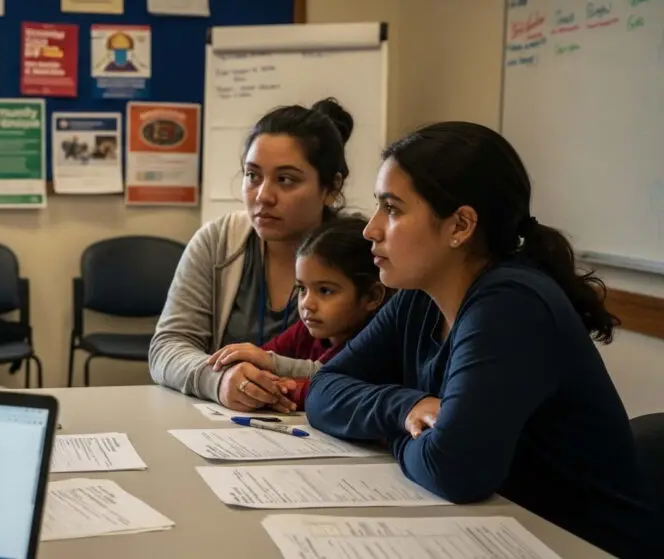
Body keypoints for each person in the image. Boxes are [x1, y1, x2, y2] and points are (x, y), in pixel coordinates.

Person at [303, 121, 660, 557]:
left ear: (460, 225)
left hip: (581, 545)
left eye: (392, 209)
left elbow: (454, 470)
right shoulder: (421, 296)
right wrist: (404, 409)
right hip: (497, 532)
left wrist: (385, 435)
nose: (370, 229)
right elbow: (323, 390)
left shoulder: (511, 305)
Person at [149, 97, 353, 413]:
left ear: (331, 188)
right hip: (227, 430)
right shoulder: (218, 241)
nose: (263, 196)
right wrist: (219, 381)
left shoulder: (361, 256)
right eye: (252, 175)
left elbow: (372, 370)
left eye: (286, 180)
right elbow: (167, 348)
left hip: (327, 429)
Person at [205, 214, 389, 410]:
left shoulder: (374, 341)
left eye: (325, 290)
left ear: (371, 296)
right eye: (302, 289)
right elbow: (257, 360)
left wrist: (271, 382)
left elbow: (327, 385)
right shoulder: (306, 330)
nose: (307, 304)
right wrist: (256, 373)